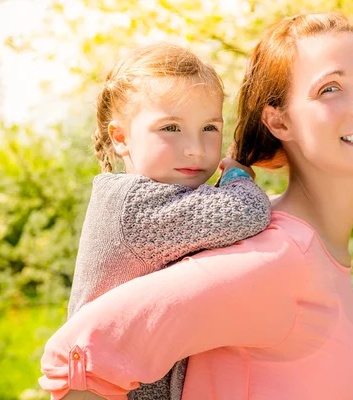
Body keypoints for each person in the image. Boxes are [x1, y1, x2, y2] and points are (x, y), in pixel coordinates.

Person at [39, 11, 353, 400]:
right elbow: (83, 353)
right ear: (279, 122)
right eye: (330, 89)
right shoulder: (277, 259)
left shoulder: (308, 253)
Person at [66, 42, 271, 398]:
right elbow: (247, 211)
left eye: (209, 128)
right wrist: (238, 177)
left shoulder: (142, 197)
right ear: (121, 138)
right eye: (171, 128)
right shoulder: (137, 205)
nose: (195, 147)